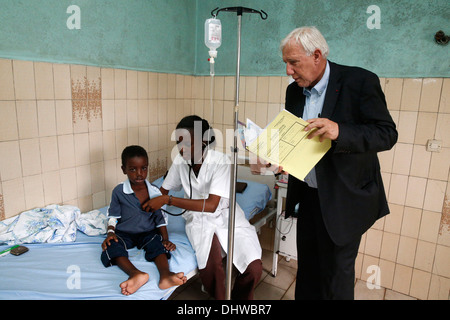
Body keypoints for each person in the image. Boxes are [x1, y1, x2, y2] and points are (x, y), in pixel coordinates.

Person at [280, 27, 398, 299]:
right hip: (308, 195)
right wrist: (280, 157)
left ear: (317, 56)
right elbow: (296, 139)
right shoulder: (294, 93)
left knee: (336, 275)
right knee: (308, 268)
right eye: (285, 63)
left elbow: (386, 134)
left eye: (294, 62)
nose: (288, 70)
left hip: (344, 198)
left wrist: (340, 131)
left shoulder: (359, 82)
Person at [142, 115, 263, 300]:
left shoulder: (221, 162)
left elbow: (212, 205)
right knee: (211, 269)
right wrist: (144, 199)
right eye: (178, 143)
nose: (181, 149)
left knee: (253, 268)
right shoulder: (180, 162)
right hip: (198, 220)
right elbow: (162, 190)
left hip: (226, 217)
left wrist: (168, 200)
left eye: (188, 143)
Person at [101, 145, 186, 295]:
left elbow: (160, 218)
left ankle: (165, 275)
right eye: (133, 169)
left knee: (157, 244)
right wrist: (110, 233)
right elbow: (113, 215)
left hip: (147, 232)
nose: (139, 174)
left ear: (147, 167)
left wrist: (165, 239)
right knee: (112, 246)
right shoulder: (119, 191)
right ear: (124, 169)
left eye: (143, 168)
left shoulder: (154, 191)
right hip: (124, 233)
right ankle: (135, 274)